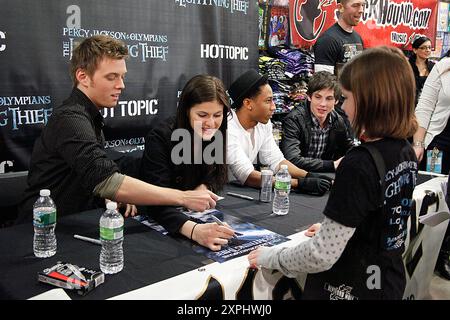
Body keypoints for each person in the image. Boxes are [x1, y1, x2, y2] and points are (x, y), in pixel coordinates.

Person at [248, 46, 418, 300]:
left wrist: (271, 256)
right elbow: (381, 219)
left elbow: (320, 254)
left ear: (369, 100)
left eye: (346, 99)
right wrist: (340, 230)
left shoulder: (359, 163)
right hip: (386, 281)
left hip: (349, 287)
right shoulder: (404, 151)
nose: (343, 108)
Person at [17, 35, 217, 224]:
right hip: (40, 230)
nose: (121, 85)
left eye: (122, 76)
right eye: (112, 77)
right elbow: (104, 179)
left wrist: (116, 194)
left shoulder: (89, 117)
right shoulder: (70, 119)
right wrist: (183, 197)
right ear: (83, 76)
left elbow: (91, 178)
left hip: (74, 222)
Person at [139, 75, 236, 251]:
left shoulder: (214, 134)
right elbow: (155, 201)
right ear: (186, 111)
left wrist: (205, 186)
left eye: (217, 115)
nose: (211, 123)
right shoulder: (160, 138)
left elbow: (217, 176)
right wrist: (194, 231)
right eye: (202, 115)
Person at [227, 69, 332, 196]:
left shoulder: (263, 124)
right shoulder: (228, 128)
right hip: (222, 194)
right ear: (248, 103)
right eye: (268, 101)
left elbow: (276, 161)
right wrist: (298, 183)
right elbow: (248, 176)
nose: (274, 107)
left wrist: (307, 175)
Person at [413, 49, 450, 280]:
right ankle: (425, 249)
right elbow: (424, 107)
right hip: (439, 143)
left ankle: (445, 251)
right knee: (433, 196)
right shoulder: (443, 67)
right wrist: (418, 142)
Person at [280, 71, 353, 172]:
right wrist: (331, 165)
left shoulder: (337, 120)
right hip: (298, 177)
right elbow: (292, 159)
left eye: (329, 98)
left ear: (336, 101)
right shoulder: (294, 120)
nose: (323, 104)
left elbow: (348, 146)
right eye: (318, 97)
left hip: (323, 177)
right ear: (309, 97)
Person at [313, 0, 365, 76]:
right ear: (340, 7)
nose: (361, 10)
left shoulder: (358, 37)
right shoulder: (327, 40)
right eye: (355, 5)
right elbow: (323, 83)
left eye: (363, 5)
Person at [408, 36, 435, 107]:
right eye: (423, 48)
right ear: (415, 50)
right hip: (409, 105)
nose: (428, 50)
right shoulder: (407, 66)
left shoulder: (434, 67)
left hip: (428, 105)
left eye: (429, 47)